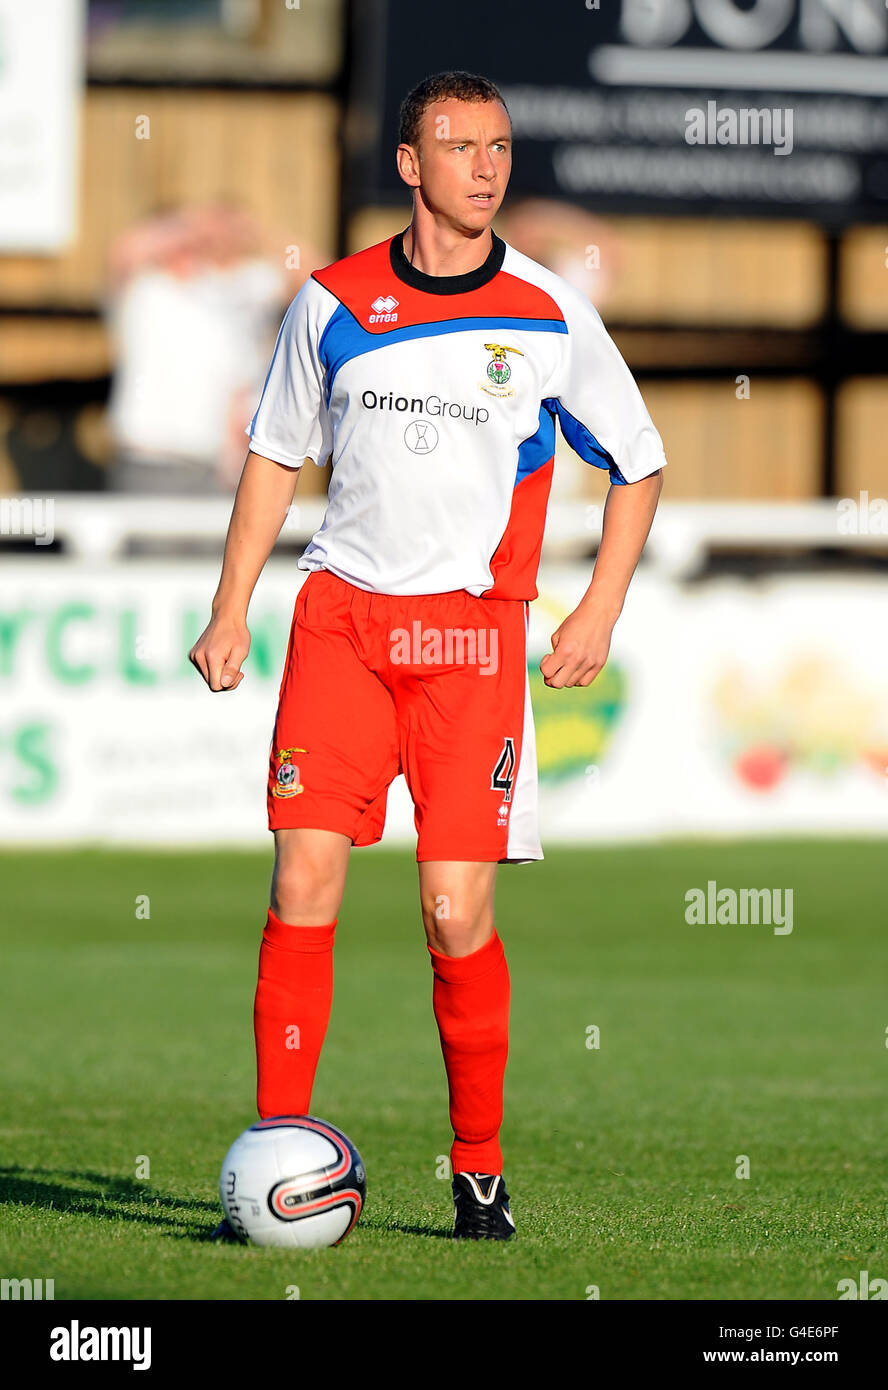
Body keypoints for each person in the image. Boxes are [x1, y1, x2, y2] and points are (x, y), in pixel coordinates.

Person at [189, 71, 666, 1241]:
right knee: (303, 883)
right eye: (460, 147)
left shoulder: (551, 313)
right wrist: (228, 606)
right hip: (342, 628)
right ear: (410, 165)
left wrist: (596, 611)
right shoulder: (331, 301)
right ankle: (276, 1156)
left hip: (472, 644)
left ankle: (479, 1168)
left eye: (501, 147)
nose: (486, 167)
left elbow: (638, 462)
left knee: (456, 914)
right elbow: (273, 457)